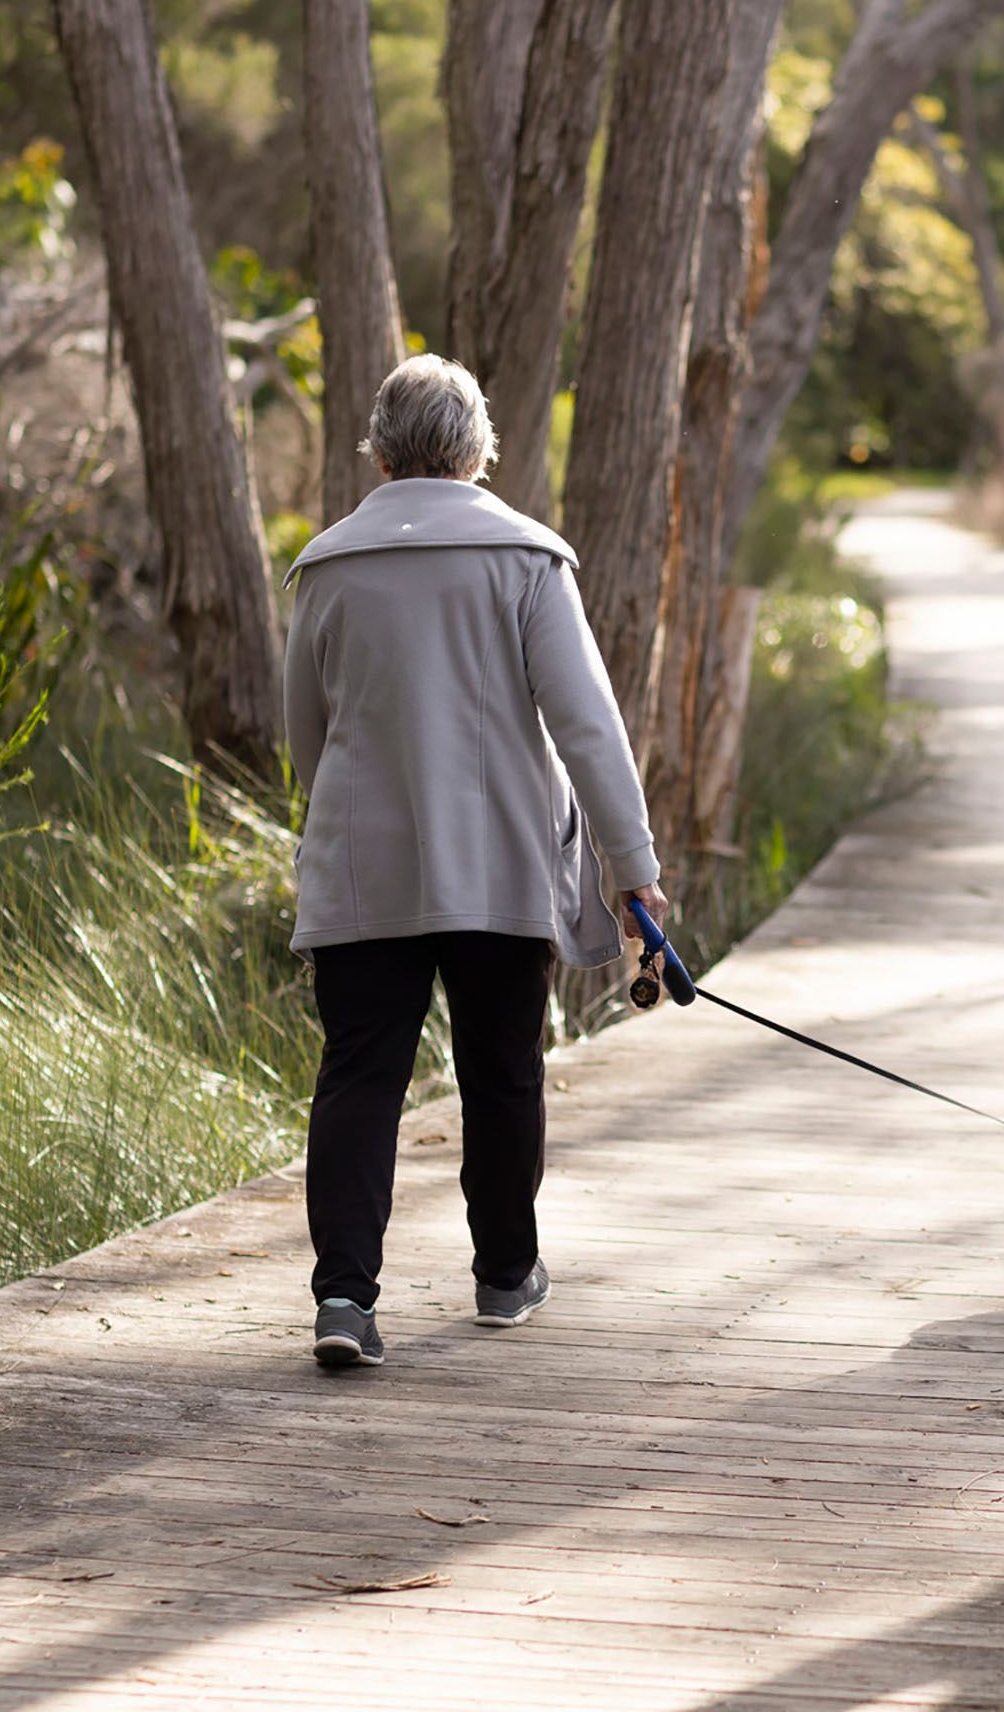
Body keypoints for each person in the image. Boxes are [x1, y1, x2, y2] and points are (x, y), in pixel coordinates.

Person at [281, 354, 667, 1368]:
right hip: (498, 866)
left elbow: (305, 738)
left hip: (365, 870)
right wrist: (633, 867)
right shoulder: (528, 560)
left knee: (359, 1077)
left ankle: (344, 1301)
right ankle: (504, 1276)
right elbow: (588, 728)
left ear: (379, 449)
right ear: (477, 449)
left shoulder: (327, 567)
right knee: (502, 1073)